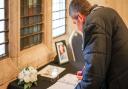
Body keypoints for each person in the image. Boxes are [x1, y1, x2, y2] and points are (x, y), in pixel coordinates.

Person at [69, 0, 128, 89]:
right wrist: (87, 72)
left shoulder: (93, 23)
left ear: (80, 17)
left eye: (75, 23)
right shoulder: (106, 12)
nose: (77, 28)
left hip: (117, 82)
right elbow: (102, 55)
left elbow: (94, 76)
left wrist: (88, 76)